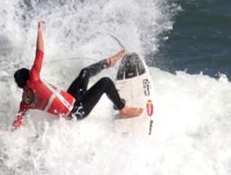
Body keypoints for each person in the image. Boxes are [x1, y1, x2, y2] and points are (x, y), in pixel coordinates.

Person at [12, 21, 143, 129]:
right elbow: (39, 52)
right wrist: (40, 31)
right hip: (77, 111)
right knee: (105, 82)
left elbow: (18, 121)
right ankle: (123, 109)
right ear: (29, 75)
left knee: (85, 73)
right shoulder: (33, 78)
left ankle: (109, 62)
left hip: (71, 100)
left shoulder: (24, 102)